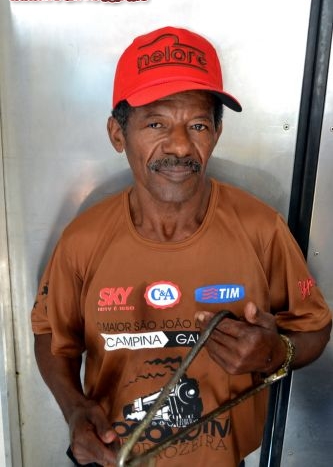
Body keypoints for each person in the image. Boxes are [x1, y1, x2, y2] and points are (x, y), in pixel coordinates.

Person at [31, 26, 332, 467]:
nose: (179, 145)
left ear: (217, 134)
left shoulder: (260, 229)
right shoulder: (84, 241)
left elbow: (314, 327)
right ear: (118, 134)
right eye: (155, 123)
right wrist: (74, 409)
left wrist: (274, 352)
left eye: (197, 125)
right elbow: (50, 336)